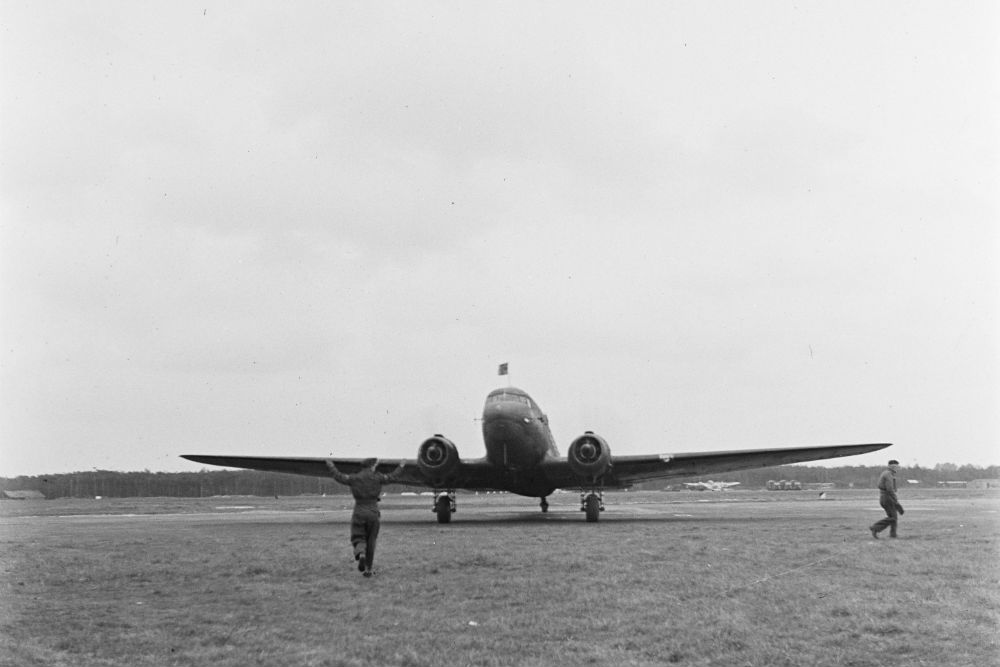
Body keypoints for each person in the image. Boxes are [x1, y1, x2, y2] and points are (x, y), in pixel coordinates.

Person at [326, 457, 406, 577]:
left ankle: (361, 553)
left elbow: (339, 477)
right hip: (373, 511)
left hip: (359, 510)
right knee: (371, 541)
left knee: (358, 537)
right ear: (372, 466)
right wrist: (401, 466)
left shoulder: (354, 478)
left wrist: (331, 466)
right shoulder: (378, 477)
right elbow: (392, 477)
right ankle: (368, 569)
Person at [869, 459, 904, 539]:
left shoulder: (887, 473)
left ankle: (893, 534)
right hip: (887, 498)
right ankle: (875, 527)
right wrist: (896, 500)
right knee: (893, 518)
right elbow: (890, 489)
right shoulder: (888, 474)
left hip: (884, 497)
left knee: (893, 516)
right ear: (893, 466)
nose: (898, 468)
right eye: (897, 466)